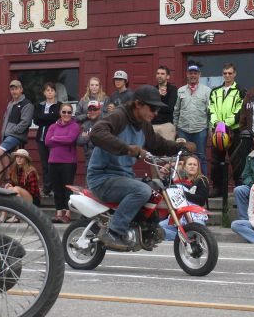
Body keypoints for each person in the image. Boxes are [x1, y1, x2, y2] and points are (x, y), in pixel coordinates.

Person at [87, 85, 192, 250]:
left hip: (124, 178)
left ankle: (147, 229)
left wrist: (180, 147)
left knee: (155, 187)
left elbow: (157, 144)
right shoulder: (119, 116)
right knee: (142, 190)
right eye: (152, 108)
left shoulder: (144, 124)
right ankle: (113, 231)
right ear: (138, 104)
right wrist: (127, 148)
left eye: (157, 109)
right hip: (102, 178)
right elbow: (96, 133)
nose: (155, 113)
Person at [208, 63, 244, 194]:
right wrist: (217, 123)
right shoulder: (215, 91)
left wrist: (225, 124)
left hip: (234, 131)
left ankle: (239, 189)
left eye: (230, 73)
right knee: (216, 161)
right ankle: (218, 188)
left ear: (235, 74)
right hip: (218, 131)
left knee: (236, 161)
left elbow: (240, 111)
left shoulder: (241, 91)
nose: (227, 75)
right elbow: (211, 109)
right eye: (225, 73)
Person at [45, 103, 81, 223]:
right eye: (64, 112)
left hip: (68, 162)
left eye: (69, 112)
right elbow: (47, 141)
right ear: (60, 112)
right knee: (57, 188)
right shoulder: (53, 126)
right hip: (53, 160)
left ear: (72, 113)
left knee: (67, 188)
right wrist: (61, 139)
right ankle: (59, 212)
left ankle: (67, 213)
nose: (66, 114)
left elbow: (70, 139)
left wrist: (55, 138)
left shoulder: (75, 126)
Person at [173, 65, 211, 174]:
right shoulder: (180, 90)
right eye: (190, 73)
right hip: (183, 129)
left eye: (195, 73)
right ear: (187, 74)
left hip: (200, 129)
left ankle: (202, 181)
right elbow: (176, 110)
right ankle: (183, 181)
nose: (193, 75)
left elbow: (210, 112)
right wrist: (175, 127)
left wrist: (210, 129)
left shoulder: (207, 91)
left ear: (199, 75)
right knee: (182, 157)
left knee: (201, 157)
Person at [0, 80, 34, 173]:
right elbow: (5, 120)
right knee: (2, 160)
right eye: (12, 89)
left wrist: (12, 131)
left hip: (16, 136)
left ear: (21, 89)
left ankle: (9, 177)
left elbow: (25, 122)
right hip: (7, 135)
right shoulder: (10, 103)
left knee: (0, 151)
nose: (14, 91)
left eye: (16, 89)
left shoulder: (27, 104)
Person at [33, 82, 61, 196]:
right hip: (41, 137)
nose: (50, 92)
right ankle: (46, 188)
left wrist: (43, 117)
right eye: (47, 90)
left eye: (52, 90)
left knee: (53, 163)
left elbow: (56, 117)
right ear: (44, 93)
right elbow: (36, 120)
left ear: (55, 92)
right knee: (45, 164)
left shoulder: (59, 105)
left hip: (54, 138)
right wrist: (47, 118)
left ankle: (55, 187)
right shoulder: (39, 105)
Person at [1, 149, 41, 214]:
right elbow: (12, 184)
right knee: (9, 188)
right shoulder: (14, 170)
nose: (19, 159)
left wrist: (19, 190)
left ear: (26, 159)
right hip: (20, 197)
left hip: (33, 200)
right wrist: (10, 185)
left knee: (16, 188)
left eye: (21, 157)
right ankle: (3, 216)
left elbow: (33, 192)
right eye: (17, 157)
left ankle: (17, 216)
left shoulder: (31, 171)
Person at [151, 65, 178, 140]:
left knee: (168, 147)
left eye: (162, 74)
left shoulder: (173, 89)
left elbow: (170, 109)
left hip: (166, 125)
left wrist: (156, 105)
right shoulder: (153, 90)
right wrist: (158, 95)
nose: (159, 76)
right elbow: (149, 108)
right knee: (153, 147)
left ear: (168, 76)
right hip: (153, 125)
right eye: (158, 73)